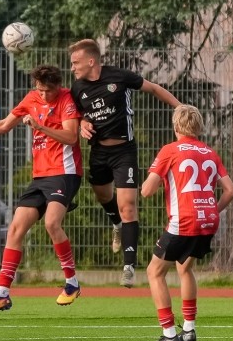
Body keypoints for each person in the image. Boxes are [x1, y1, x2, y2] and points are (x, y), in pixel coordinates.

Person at [0, 65, 83, 314]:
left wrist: (40, 127)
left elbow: (71, 137)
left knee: (52, 223)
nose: (43, 95)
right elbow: (4, 125)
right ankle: (1, 294)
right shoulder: (31, 98)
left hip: (64, 173)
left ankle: (72, 283)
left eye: (47, 91)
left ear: (57, 86)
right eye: (39, 90)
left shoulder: (66, 99)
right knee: (15, 229)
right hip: (40, 176)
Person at [69, 39, 180, 288]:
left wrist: (180, 108)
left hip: (124, 152)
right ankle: (116, 224)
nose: (72, 67)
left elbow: (154, 88)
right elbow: (75, 115)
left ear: (91, 61)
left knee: (128, 206)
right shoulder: (77, 88)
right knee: (103, 196)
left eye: (76, 62)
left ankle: (129, 266)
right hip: (98, 152)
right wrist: (83, 123)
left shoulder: (119, 77)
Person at [140, 105, 233, 341]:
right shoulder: (210, 152)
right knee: (185, 268)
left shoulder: (170, 150)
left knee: (154, 272)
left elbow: (147, 191)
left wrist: (158, 179)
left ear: (176, 126)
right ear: (199, 127)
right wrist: (212, 209)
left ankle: (169, 333)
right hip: (208, 220)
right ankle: (189, 329)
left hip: (184, 220)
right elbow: (230, 190)